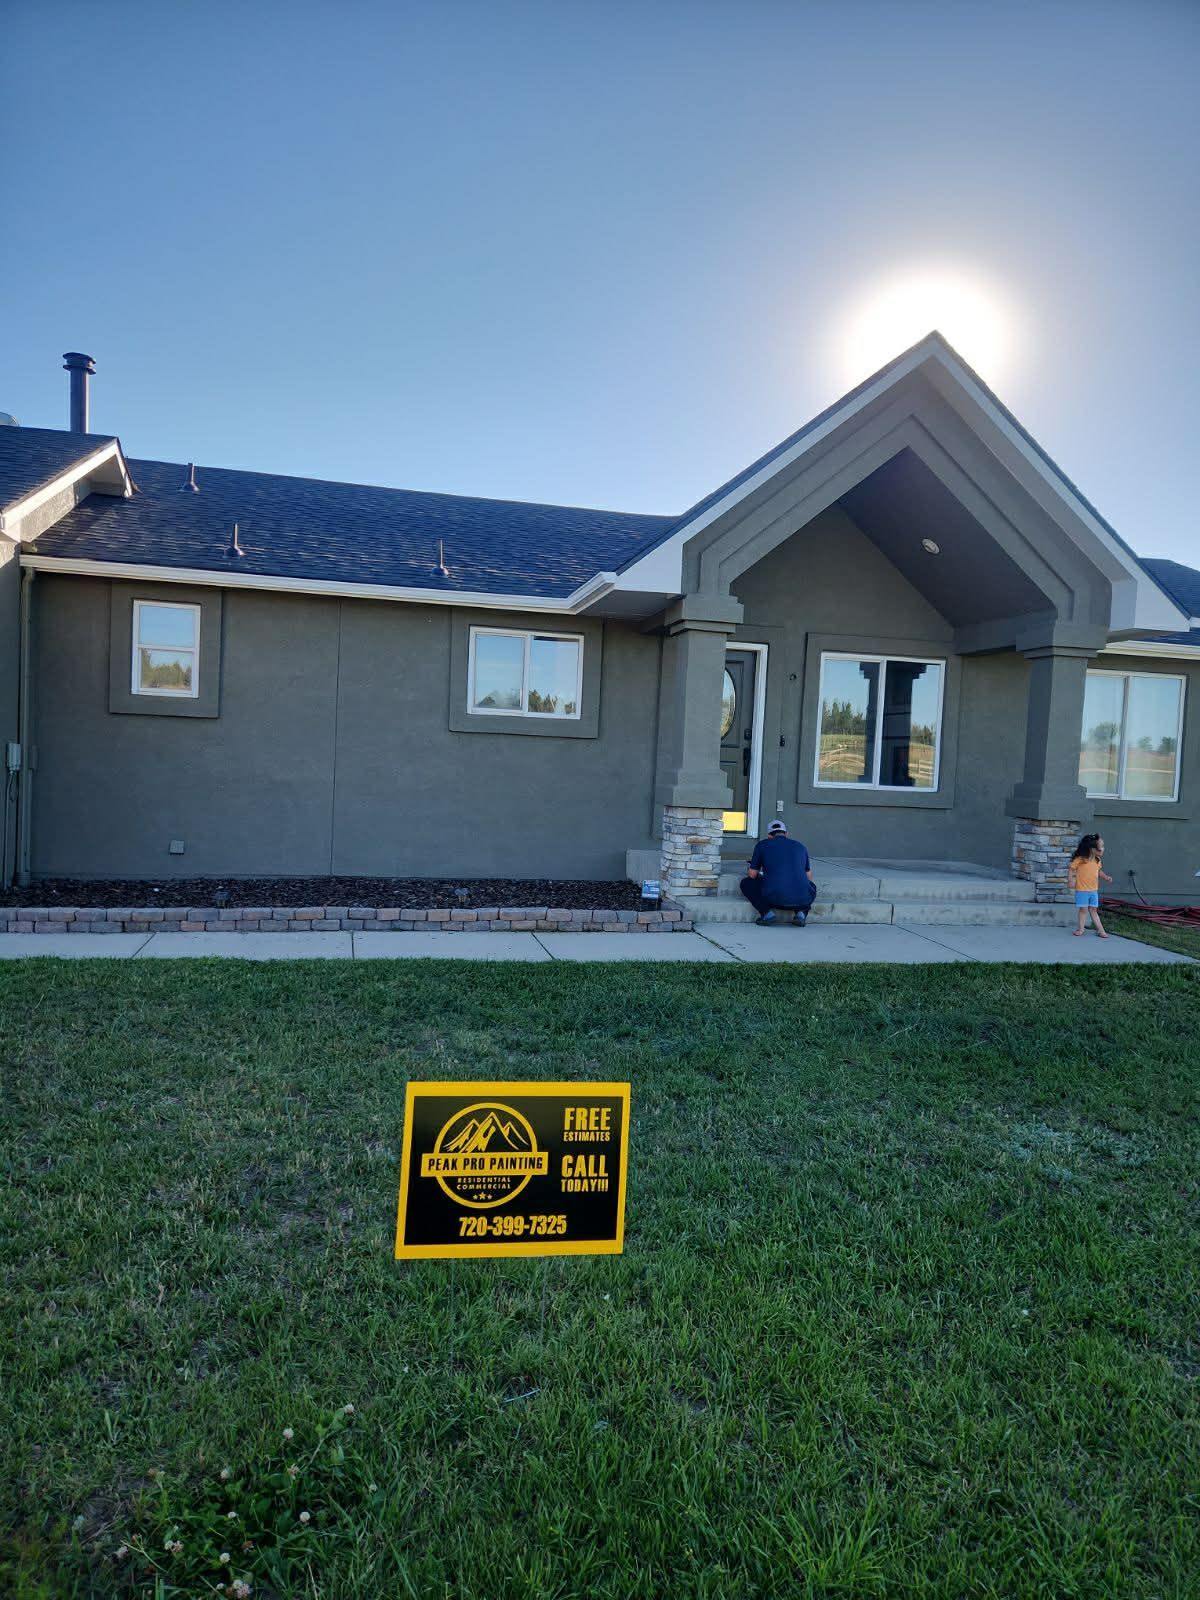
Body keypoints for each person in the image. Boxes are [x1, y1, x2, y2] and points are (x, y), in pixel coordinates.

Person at [740, 819, 817, 926]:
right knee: (812, 886)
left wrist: (755, 868)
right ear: (786, 833)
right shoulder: (800, 846)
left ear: (769, 835)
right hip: (801, 900)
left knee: (746, 883)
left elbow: (752, 875)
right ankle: (801, 913)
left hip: (773, 899)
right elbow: (808, 878)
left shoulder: (762, 845)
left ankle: (767, 914)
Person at [1068, 832, 1112, 938]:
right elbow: (1071, 869)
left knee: (1093, 910)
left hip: (1093, 890)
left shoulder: (1097, 860)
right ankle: (1081, 929)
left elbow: (1098, 871)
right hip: (1082, 890)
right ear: (1092, 848)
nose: (1103, 848)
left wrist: (1106, 877)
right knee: (1083, 910)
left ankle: (1101, 931)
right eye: (1101, 846)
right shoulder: (1080, 860)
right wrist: (1071, 880)